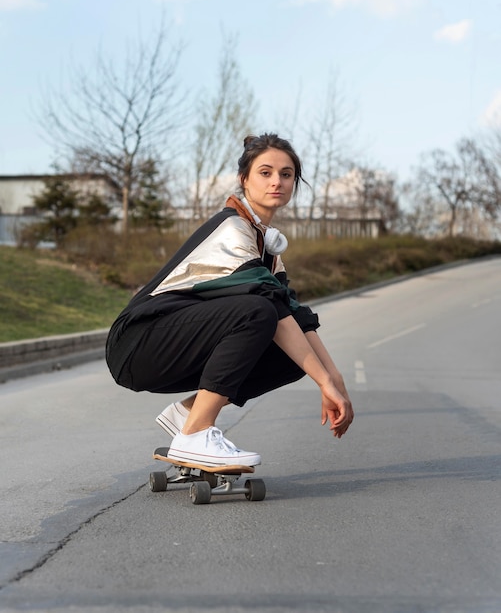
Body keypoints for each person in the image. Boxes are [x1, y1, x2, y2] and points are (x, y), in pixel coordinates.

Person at [106, 133, 354, 468]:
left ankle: (188, 415)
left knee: (293, 356)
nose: (277, 182)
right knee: (257, 311)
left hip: (173, 345)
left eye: (286, 174)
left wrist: (333, 379)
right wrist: (325, 383)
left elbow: (295, 315)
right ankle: (195, 435)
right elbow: (270, 309)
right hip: (138, 342)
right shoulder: (232, 229)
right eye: (265, 173)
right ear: (244, 180)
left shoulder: (264, 244)